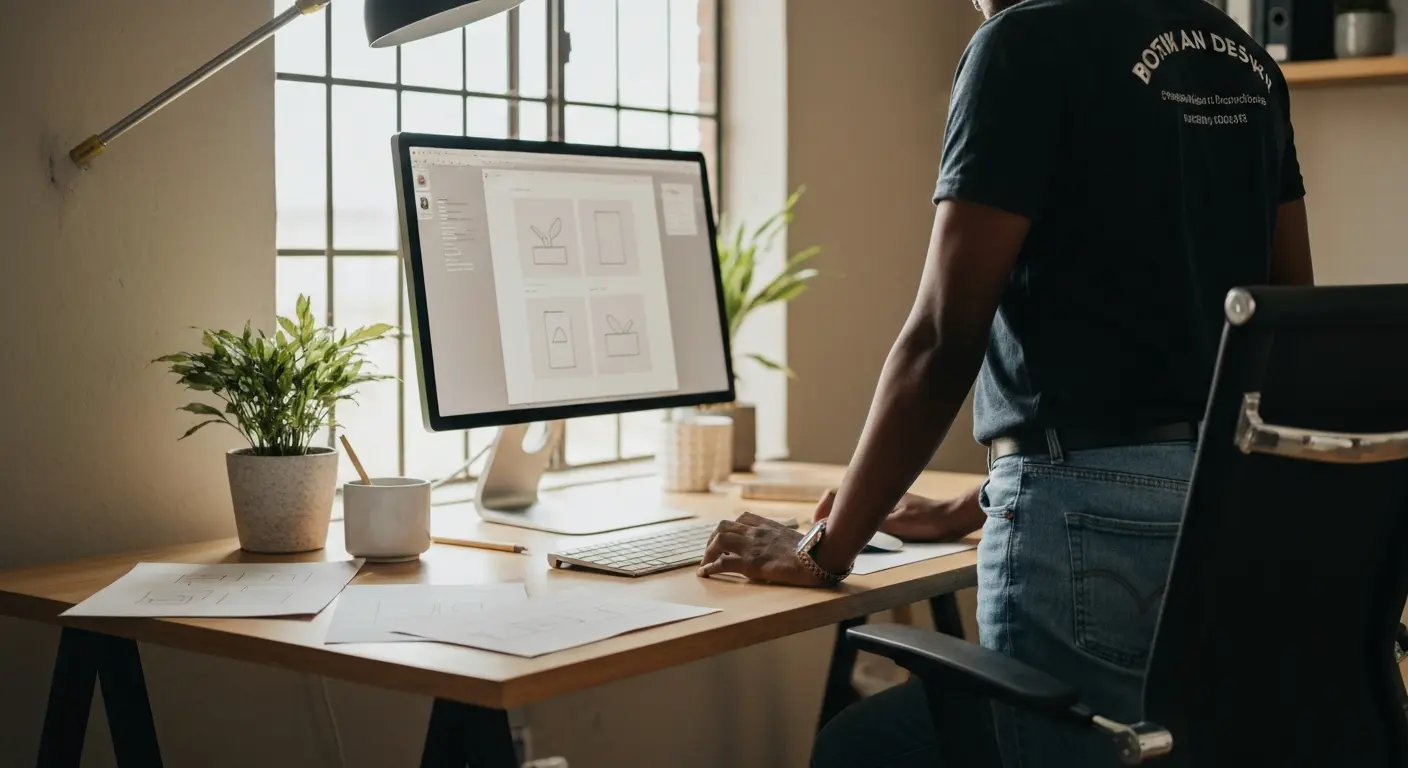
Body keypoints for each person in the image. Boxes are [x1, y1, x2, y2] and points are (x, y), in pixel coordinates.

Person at [695, 0, 1315, 765]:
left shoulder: (1023, 42)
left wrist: (825, 548)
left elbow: (941, 338)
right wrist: (976, 500)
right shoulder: (1243, 57)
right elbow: (1287, 326)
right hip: (1238, 511)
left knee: (861, 751)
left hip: (1090, 537)